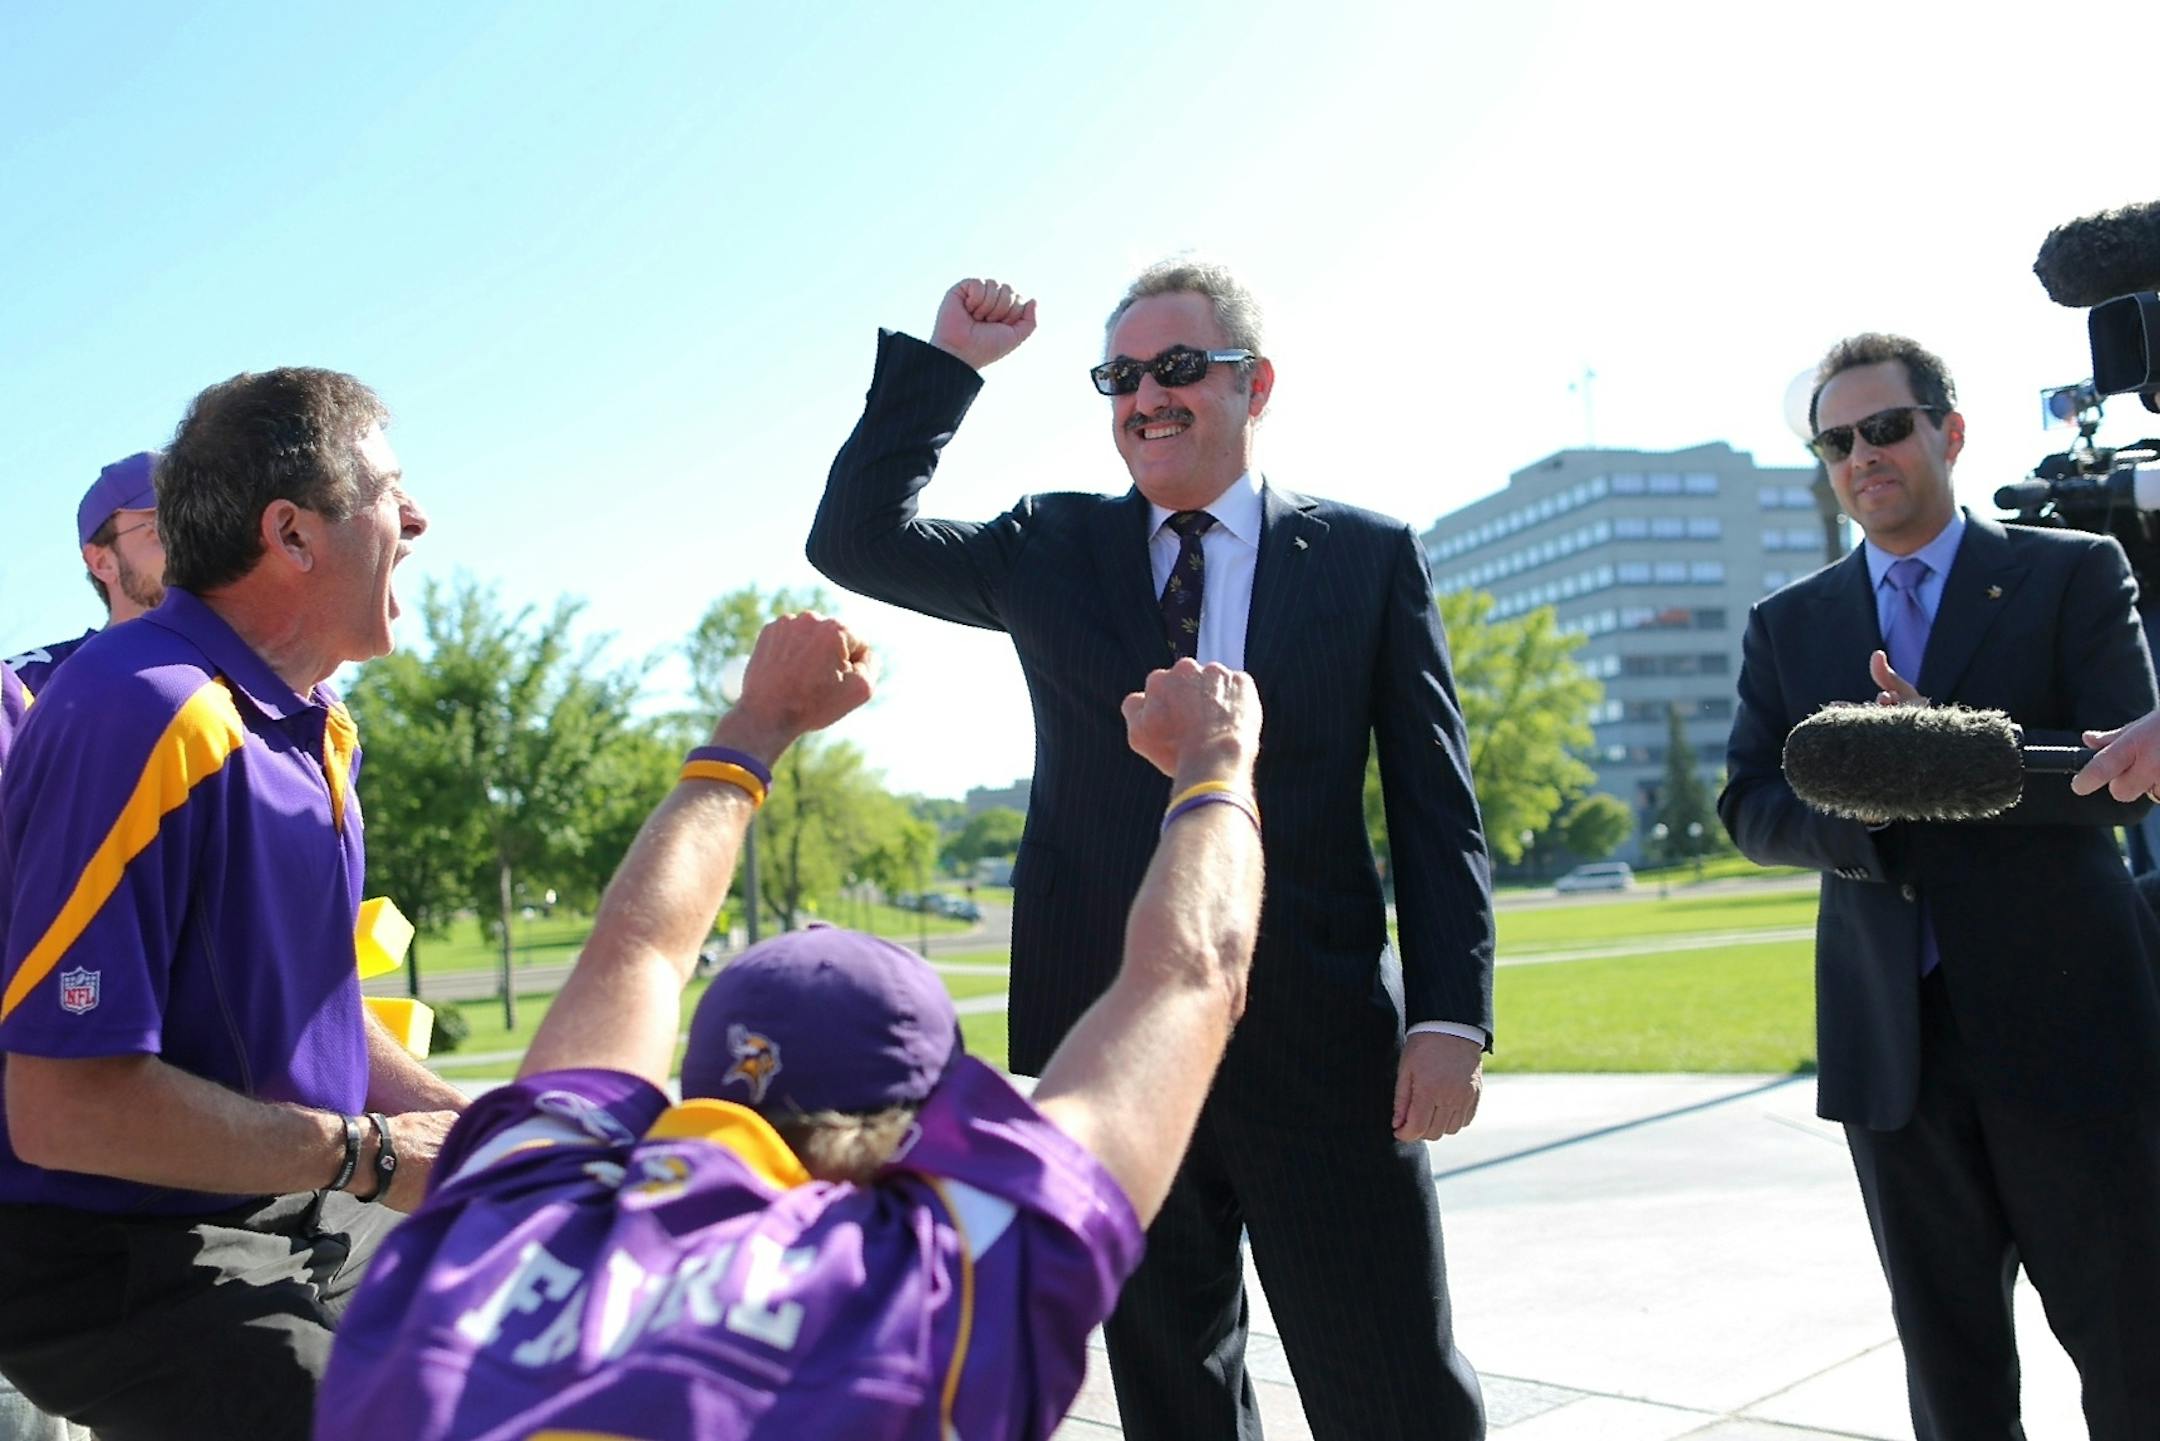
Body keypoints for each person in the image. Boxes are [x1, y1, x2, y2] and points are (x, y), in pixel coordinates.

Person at [809, 265, 1494, 1440]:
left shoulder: (1365, 557)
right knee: (1175, 1391)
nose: (1146, 398)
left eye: (1178, 368)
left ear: (1253, 385)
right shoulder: (1049, 542)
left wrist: (1450, 1014)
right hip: (1115, 1043)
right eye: (1120, 377)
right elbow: (857, 537)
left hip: (1323, 1041)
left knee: (1390, 1383)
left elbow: (1437, 802)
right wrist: (949, 369)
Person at [313, 616, 1268, 1440]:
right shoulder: (945, 1283)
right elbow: (1189, 975)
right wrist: (1217, 762)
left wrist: (758, 720)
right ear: (916, 1136)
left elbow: (637, 950)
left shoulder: (515, 1193)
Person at [0, 368, 467, 1439]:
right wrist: (376, 1155)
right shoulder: (146, 708)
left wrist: (484, 1133)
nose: (418, 517)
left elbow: (308, 1022)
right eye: (390, 489)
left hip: (286, 1207)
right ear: (293, 535)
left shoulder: (317, 725)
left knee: (534, 1324)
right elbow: (66, 1108)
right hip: (112, 1253)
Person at [1720, 333, 2160, 1439]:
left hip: (2074, 1033)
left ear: (1948, 433)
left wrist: (1942, 758)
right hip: (1894, 1054)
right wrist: (1859, 810)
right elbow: (1749, 804)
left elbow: (2125, 775)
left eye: (1885, 428)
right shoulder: (1790, 623)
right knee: (1952, 1377)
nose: (1861, 454)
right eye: (1836, 440)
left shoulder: (2071, 571)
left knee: (2135, 1348)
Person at [4, 451, 167, 691]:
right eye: (164, 526)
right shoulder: (25, 685)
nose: (190, 541)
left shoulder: (237, 672)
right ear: (102, 562)